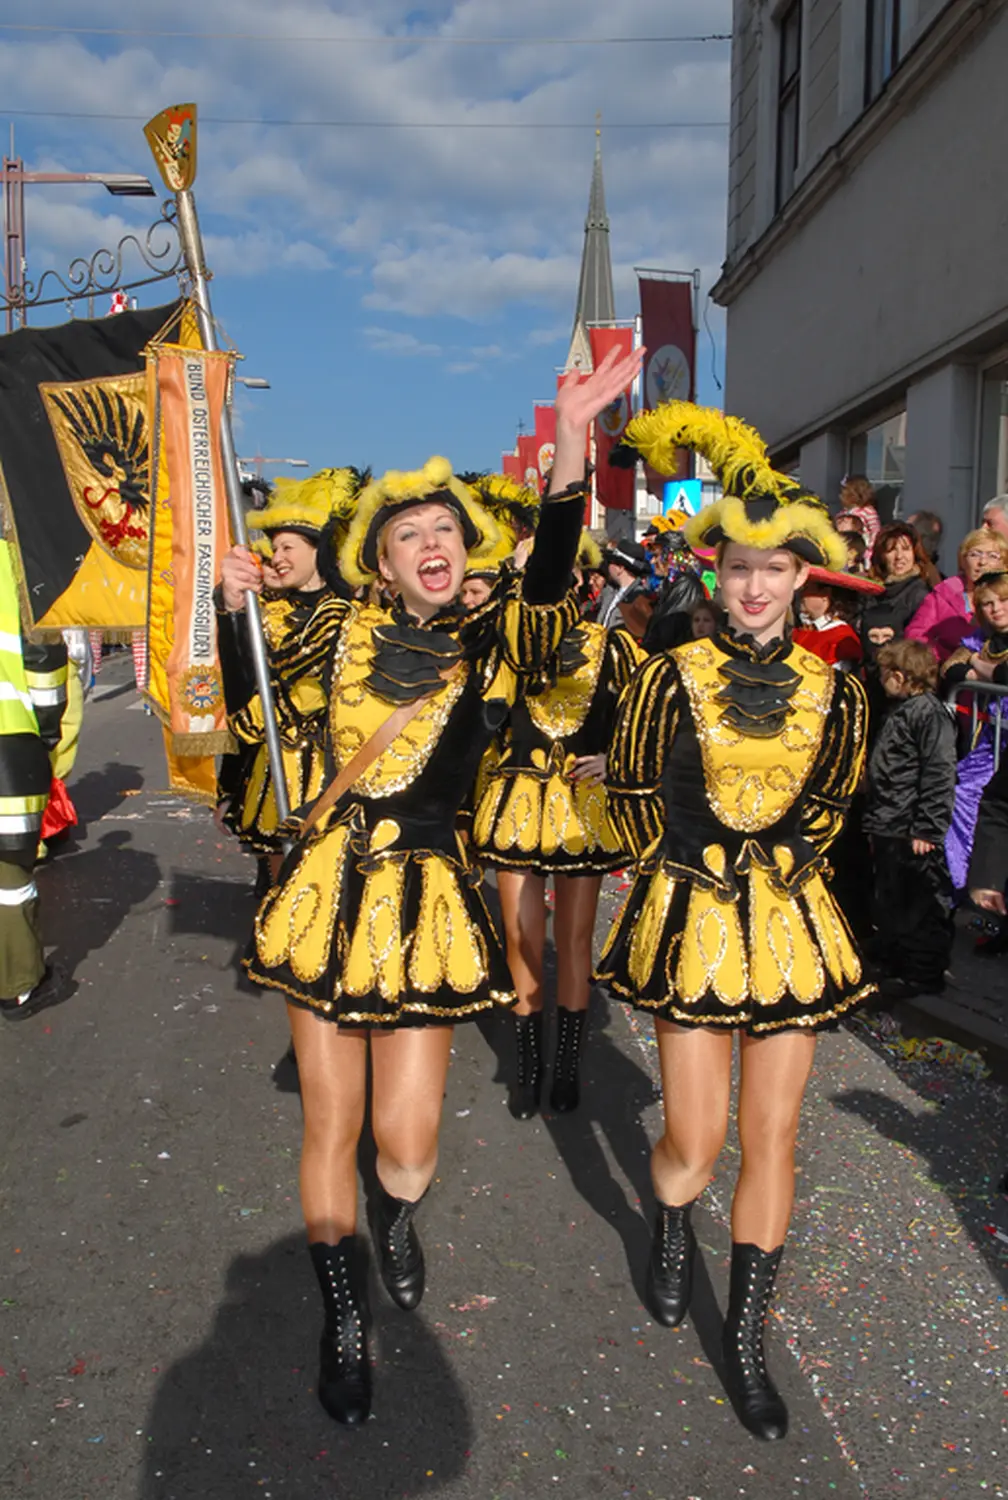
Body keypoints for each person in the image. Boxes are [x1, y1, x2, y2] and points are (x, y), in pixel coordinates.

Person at [226, 347, 642, 1426]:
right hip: (327, 892)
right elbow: (245, 709)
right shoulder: (327, 634)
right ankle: (343, 1316)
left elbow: (549, 588)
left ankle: (397, 1220)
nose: (433, 545)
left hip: (425, 904)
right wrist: (233, 615)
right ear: (378, 561)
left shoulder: (492, 641)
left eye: (446, 532)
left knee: (406, 1146)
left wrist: (567, 450)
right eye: (410, 533)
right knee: (331, 1124)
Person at [596, 400, 872, 1442]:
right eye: (740, 566)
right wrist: (671, 881)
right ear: (717, 574)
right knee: (697, 1143)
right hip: (695, 921)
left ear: (804, 576)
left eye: (776, 567)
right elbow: (628, 790)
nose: (756, 584)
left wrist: (789, 868)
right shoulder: (672, 673)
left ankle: (749, 1343)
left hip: (789, 929)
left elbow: (838, 801)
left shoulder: (835, 689)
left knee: (774, 1135)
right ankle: (670, 1213)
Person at [472, 590, 644, 1119]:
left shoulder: (614, 647)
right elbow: (476, 721)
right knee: (520, 937)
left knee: (571, 940)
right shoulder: (506, 648)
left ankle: (565, 1064)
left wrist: (616, 761)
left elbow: (647, 721)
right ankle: (527, 1067)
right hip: (517, 806)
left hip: (582, 810)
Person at [215, 469, 358, 884]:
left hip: (333, 774)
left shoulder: (350, 615)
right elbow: (241, 691)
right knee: (279, 892)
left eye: (288, 546)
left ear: (319, 550)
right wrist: (228, 787)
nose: (277, 556)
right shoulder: (263, 612)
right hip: (273, 771)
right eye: (274, 546)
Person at [863, 639, 956, 1000]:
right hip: (888, 818)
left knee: (918, 900)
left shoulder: (928, 714)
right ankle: (894, 961)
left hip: (909, 822)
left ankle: (923, 972)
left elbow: (939, 773)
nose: (882, 679)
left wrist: (927, 827)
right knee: (891, 897)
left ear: (902, 676)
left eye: (887, 673)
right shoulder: (900, 710)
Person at [0, 538, 69, 1019]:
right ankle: (20, 983)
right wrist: (46, 734)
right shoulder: (19, 563)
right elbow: (44, 660)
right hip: (9, 742)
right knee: (9, 877)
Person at [939, 571, 1008, 892]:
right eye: (988, 604)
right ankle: (972, 888)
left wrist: (983, 668)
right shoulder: (982, 640)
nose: (996, 609)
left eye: (1004, 601)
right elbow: (950, 667)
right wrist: (978, 666)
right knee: (962, 794)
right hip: (991, 744)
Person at [905, 526, 1008, 661]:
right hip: (946, 672)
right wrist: (947, 658)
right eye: (974, 554)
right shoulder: (943, 594)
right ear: (963, 561)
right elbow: (915, 635)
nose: (982, 562)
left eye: (992, 556)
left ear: (1004, 564)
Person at [792, 569, 875, 669]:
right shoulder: (801, 630)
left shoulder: (841, 639)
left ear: (825, 594)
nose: (802, 595)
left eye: (807, 588)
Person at [596, 539, 653, 637]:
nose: (608, 565)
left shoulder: (640, 599)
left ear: (620, 568)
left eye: (611, 562)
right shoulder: (609, 592)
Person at [838, 474, 881, 550]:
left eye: (844, 493)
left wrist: (870, 546)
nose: (840, 496)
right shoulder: (844, 512)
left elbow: (875, 530)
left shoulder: (868, 511)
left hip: (863, 549)